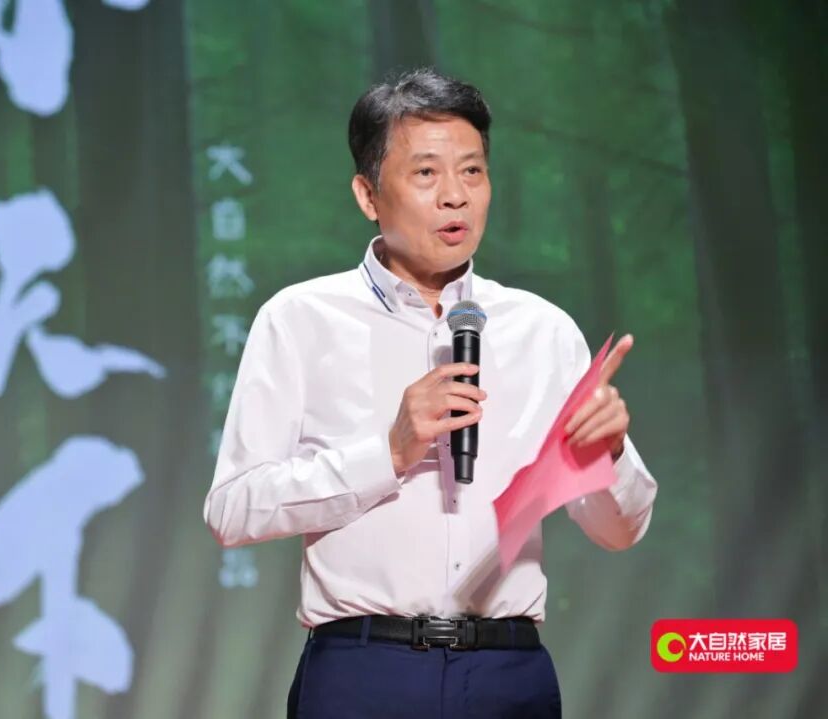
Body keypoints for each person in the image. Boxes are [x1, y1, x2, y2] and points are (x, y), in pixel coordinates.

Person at [202, 67, 658, 718]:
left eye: (472, 172)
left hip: (508, 668)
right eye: (426, 173)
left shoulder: (543, 330)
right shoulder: (300, 318)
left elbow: (618, 531)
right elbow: (232, 510)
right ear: (368, 194)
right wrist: (387, 453)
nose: (455, 197)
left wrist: (607, 454)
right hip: (365, 667)